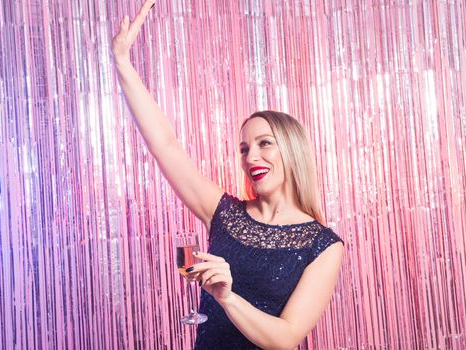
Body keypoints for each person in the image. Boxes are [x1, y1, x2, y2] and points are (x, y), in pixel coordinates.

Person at [112, 1, 344, 349]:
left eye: (265, 143)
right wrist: (122, 63)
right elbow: (166, 146)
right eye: (244, 148)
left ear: (292, 150)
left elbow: (285, 338)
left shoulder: (323, 245)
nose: (252, 156)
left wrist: (227, 296)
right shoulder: (225, 213)